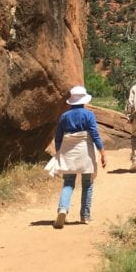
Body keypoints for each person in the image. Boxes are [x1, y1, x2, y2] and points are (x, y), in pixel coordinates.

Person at [48, 86, 106, 228]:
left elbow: (58, 137)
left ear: (71, 102)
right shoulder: (89, 115)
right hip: (85, 151)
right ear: (84, 101)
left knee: (68, 183)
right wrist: (102, 152)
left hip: (68, 151)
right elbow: (94, 134)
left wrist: (58, 153)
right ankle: (85, 216)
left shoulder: (64, 116)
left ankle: (63, 209)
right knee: (88, 184)